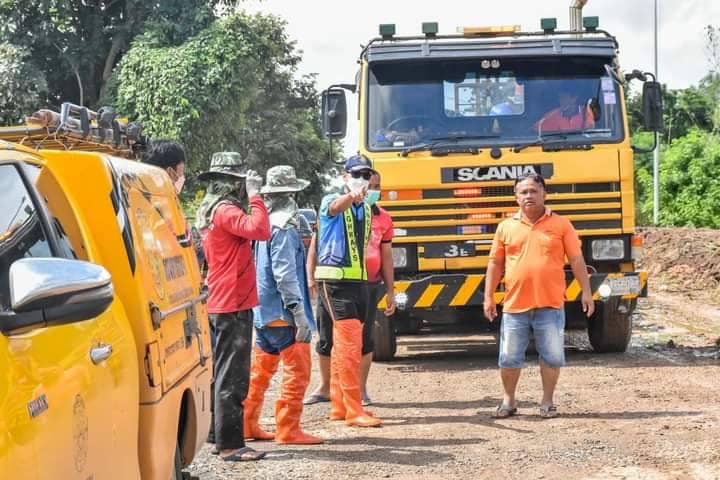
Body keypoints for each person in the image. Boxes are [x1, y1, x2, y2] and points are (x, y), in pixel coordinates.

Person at [483, 174, 595, 419]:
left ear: (544, 194)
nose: (529, 196)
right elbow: (495, 263)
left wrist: (586, 292)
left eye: (534, 191)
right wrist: (488, 296)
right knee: (509, 357)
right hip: (514, 305)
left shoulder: (562, 224)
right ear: (516, 197)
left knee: (552, 356)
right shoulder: (505, 227)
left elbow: (576, 260)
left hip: (550, 304)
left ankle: (547, 402)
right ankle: (508, 401)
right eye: (523, 192)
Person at [195, 152, 270, 462]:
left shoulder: (208, 209)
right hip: (232, 302)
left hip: (219, 300)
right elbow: (260, 230)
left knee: (219, 372)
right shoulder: (226, 210)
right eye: (240, 182)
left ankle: (217, 436)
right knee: (233, 375)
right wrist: (256, 196)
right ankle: (230, 445)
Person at [243, 165, 323, 445]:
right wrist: (299, 314)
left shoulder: (264, 225)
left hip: (262, 312)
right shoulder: (285, 227)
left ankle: (247, 424)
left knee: (260, 373)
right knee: (297, 372)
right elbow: (285, 275)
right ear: (291, 194)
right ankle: (289, 429)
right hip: (283, 313)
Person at [304, 170, 396, 407]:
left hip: (365, 283)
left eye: (375, 185)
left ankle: (354, 394)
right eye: (367, 184)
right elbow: (319, 238)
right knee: (331, 339)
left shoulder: (376, 215)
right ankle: (334, 394)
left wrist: (390, 290)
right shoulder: (334, 203)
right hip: (334, 283)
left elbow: (386, 256)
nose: (371, 189)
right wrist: (310, 275)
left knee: (361, 340)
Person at [312, 154, 382, 428]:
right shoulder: (331, 200)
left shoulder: (366, 208)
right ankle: (354, 410)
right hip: (335, 282)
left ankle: (340, 406)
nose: (362, 179)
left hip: (359, 282)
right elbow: (334, 208)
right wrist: (351, 196)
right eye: (357, 174)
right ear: (344, 176)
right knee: (350, 344)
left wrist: (360, 198)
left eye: (366, 175)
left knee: (348, 345)